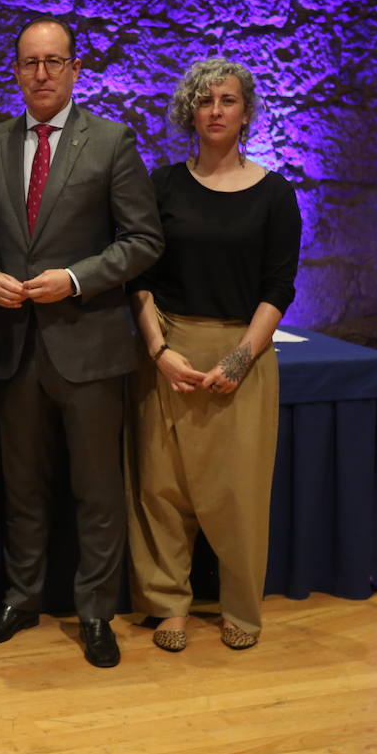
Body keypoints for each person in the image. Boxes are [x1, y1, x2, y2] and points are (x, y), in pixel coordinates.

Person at [0, 17, 163, 668]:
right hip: (16, 345)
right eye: (30, 63)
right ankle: (23, 599)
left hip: (91, 346)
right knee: (22, 485)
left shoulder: (111, 142)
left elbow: (143, 241)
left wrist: (77, 279)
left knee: (95, 489)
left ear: (77, 69)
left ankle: (96, 612)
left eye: (54, 62)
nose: (42, 74)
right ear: (16, 72)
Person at [126, 57, 301, 652]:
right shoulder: (162, 187)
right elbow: (138, 276)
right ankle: (167, 604)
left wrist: (240, 359)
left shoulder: (276, 194)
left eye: (227, 100)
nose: (216, 110)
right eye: (205, 101)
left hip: (244, 351)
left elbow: (279, 286)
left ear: (246, 111)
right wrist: (159, 350)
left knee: (240, 491)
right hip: (170, 350)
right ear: (189, 113)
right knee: (162, 488)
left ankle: (240, 608)